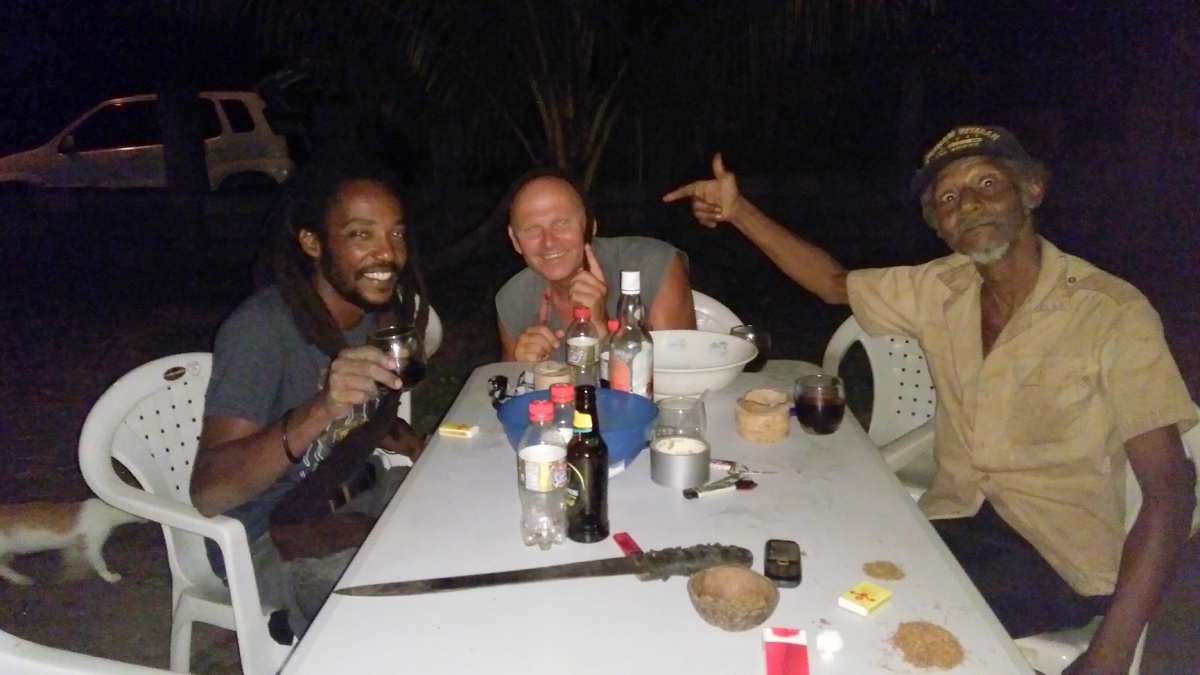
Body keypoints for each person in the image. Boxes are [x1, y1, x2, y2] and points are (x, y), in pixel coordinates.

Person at [664, 126, 1197, 674]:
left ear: (1031, 190)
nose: (967, 203)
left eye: (987, 183)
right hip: (950, 524)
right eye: (948, 197)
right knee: (807, 557)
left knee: (863, 620)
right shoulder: (941, 287)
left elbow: (1171, 490)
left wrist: (1111, 652)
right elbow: (831, 282)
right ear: (940, 226)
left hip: (1057, 558)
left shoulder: (1110, 313)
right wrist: (739, 211)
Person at [190, 156, 426, 642]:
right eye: (361, 234)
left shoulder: (378, 318)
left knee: (473, 513)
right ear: (313, 243)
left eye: (396, 234)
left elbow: (366, 417)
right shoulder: (261, 332)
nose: (388, 253)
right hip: (272, 534)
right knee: (398, 618)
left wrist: (412, 442)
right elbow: (209, 492)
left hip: (358, 491)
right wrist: (322, 408)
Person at [495, 167, 696, 362]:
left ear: (590, 226)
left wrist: (601, 329)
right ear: (514, 240)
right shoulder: (513, 299)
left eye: (562, 223)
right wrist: (521, 369)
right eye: (532, 229)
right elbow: (505, 380)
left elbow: (680, 375)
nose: (548, 242)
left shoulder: (653, 266)